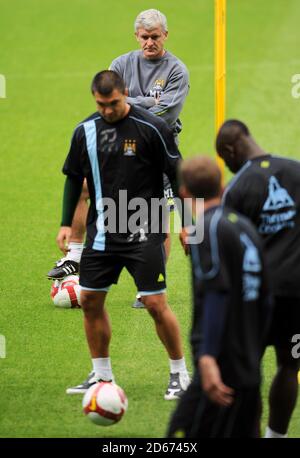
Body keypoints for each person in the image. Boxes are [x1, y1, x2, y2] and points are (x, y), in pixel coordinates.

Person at [56, 70, 190, 399]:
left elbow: (177, 173)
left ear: (125, 93)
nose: (107, 111)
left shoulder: (152, 128)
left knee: (156, 303)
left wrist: (187, 222)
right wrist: (64, 223)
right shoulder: (85, 130)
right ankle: (101, 375)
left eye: (113, 103)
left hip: (145, 227)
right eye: (101, 104)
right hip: (102, 232)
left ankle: (180, 374)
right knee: (89, 301)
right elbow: (73, 177)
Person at [47, 8, 189, 308]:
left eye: (155, 37)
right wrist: (147, 102)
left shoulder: (177, 70)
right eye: (144, 37)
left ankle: (149, 287)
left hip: (155, 147)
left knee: (154, 214)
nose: (150, 42)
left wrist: (129, 105)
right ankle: (74, 253)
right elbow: (118, 102)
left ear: (166, 35)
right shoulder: (121, 64)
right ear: (137, 36)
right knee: (85, 186)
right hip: (114, 144)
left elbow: (167, 113)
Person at [167, 156, 270, 437]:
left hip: (221, 363)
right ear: (223, 186)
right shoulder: (245, 227)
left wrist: (208, 358)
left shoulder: (205, 231)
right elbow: (265, 297)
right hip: (249, 361)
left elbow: (217, 293)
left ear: (184, 192)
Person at [216, 119, 300, 438]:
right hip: (296, 294)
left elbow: (228, 245)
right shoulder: (297, 171)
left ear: (230, 149)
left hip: (255, 296)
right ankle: (275, 436)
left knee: (246, 371)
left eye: (226, 160)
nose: (228, 166)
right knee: (289, 366)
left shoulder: (237, 188)